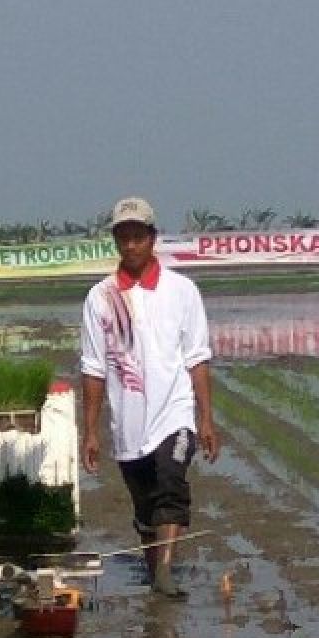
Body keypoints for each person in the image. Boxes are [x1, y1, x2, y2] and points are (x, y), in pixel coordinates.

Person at [79, 196, 219, 599]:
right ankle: (155, 564)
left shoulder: (182, 291)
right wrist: (90, 431)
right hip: (128, 421)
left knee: (170, 485)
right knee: (144, 504)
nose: (131, 245)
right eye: (123, 237)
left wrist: (205, 420)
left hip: (174, 413)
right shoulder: (100, 298)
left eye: (138, 236)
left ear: (153, 239)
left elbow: (197, 358)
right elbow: (93, 368)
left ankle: (166, 571)